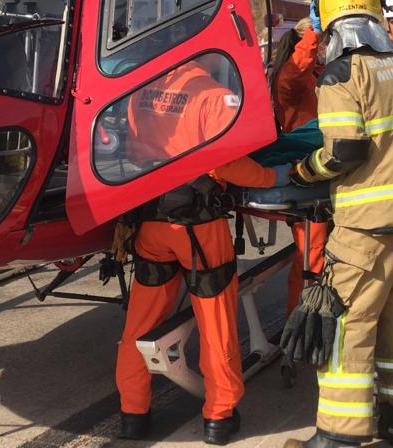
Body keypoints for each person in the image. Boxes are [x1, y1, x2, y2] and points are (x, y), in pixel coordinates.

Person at [284, 0, 393, 448]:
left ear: (331, 20)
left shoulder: (342, 73)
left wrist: (304, 172)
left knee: (348, 322)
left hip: (368, 226)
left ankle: (339, 434)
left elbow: (343, 152)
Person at [116, 57, 288, 445]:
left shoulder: (144, 87)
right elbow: (227, 163)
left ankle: (132, 412)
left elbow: (130, 144)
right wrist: (271, 176)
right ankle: (219, 415)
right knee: (216, 324)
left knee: (140, 321)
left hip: (151, 222)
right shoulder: (213, 96)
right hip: (199, 228)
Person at [269, 17, 330, 315]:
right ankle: (299, 317)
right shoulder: (291, 79)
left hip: (323, 168)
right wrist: (314, 35)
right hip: (306, 173)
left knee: (317, 254)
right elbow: (293, 74)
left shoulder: (313, 74)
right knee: (310, 256)